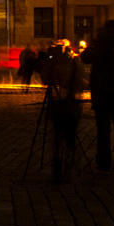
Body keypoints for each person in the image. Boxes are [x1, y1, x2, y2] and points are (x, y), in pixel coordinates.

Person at [81, 20, 114, 173]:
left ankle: (104, 161)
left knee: (103, 129)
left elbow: (85, 57)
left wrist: (96, 43)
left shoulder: (100, 43)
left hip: (102, 92)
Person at [41, 40, 84, 182]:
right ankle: (69, 163)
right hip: (72, 102)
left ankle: (57, 163)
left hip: (57, 102)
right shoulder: (75, 61)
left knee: (57, 134)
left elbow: (45, 79)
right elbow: (79, 82)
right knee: (70, 133)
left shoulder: (55, 61)